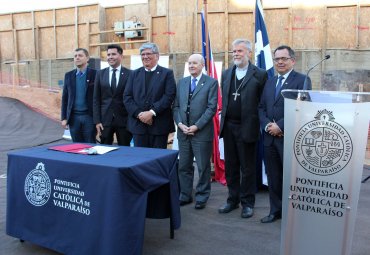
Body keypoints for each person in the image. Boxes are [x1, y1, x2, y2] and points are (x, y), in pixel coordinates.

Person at [258, 45, 311, 223]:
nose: (279, 62)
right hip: (269, 139)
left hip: (288, 138)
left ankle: (293, 214)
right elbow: (261, 107)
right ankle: (275, 211)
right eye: (277, 59)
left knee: (291, 177)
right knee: (273, 177)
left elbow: (302, 108)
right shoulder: (270, 80)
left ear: (292, 61)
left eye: (283, 59)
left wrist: (280, 126)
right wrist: (267, 126)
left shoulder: (302, 80)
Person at [218, 39, 268, 218]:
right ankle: (232, 200)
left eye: (240, 51)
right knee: (231, 166)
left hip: (248, 127)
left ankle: (247, 203)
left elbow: (263, 102)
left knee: (247, 168)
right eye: (234, 51)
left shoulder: (260, 74)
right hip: (229, 126)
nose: (236, 54)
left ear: (249, 53)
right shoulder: (226, 73)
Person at [173, 54, 218, 209]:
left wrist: (197, 126)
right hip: (183, 132)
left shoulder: (211, 83)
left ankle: (202, 196)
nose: (191, 66)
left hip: (201, 133)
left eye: (195, 63)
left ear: (202, 65)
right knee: (183, 166)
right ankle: (185, 195)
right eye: (189, 63)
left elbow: (211, 108)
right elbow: (176, 106)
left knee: (203, 166)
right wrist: (179, 124)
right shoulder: (182, 82)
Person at [124, 42, 176, 149]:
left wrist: (152, 113)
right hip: (138, 126)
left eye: (148, 54)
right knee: (140, 158)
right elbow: (127, 97)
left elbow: (169, 96)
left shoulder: (167, 74)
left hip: (159, 126)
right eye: (142, 54)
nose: (145, 57)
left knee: (158, 159)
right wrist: (139, 114)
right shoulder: (134, 74)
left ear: (157, 56)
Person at [93, 44, 132, 145]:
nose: (110, 57)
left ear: (121, 56)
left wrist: (131, 119)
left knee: (125, 150)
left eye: (113, 54)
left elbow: (132, 98)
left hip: (124, 120)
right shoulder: (100, 74)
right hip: (105, 121)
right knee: (105, 150)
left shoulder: (130, 74)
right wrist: (97, 121)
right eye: (108, 54)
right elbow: (96, 99)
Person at [61, 48, 97, 143]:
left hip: (89, 117)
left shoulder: (95, 74)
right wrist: (64, 118)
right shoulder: (68, 75)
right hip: (74, 118)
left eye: (80, 55)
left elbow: (99, 98)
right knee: (76, 146)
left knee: (90, 145)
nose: (77, 58)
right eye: (75, 56)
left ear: (87, 58)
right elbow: (65, 98)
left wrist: (98, 120)